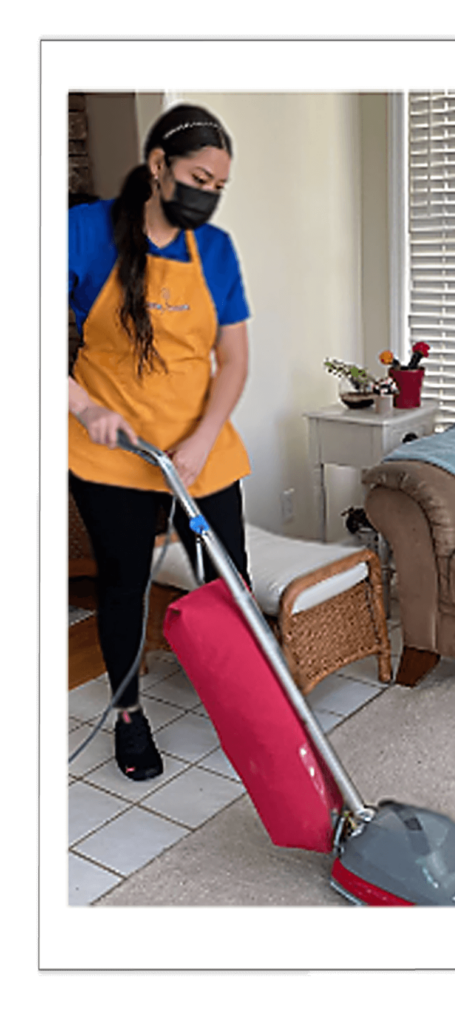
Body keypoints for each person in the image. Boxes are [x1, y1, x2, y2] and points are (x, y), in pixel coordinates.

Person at [68, 102, 252, 781]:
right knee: (122, 586)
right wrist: (83, 407)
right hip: (109, 449)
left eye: (218, 186)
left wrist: (203, 441)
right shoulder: (84, 232)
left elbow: (232, 361)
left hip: (198, 447)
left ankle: (246, 704)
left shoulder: (218, 251)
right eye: (198, 177)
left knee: (229, 582)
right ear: (157, 167)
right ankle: (128, 715)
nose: (207, 194)